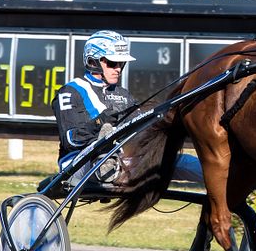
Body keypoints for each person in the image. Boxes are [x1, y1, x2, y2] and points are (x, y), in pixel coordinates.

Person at [52, 30, 202, 185]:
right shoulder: (71, 91)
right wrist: (103, 123)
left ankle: (227, 178)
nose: (117, 68)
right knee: (111, 158)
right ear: (92, 61)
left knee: (183, 162)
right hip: (78, 164)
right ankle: (106, 162)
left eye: (121, 64)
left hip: (126, 160)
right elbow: (72, 139)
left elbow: (142, 132)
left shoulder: (123, 94)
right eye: (111, 63)